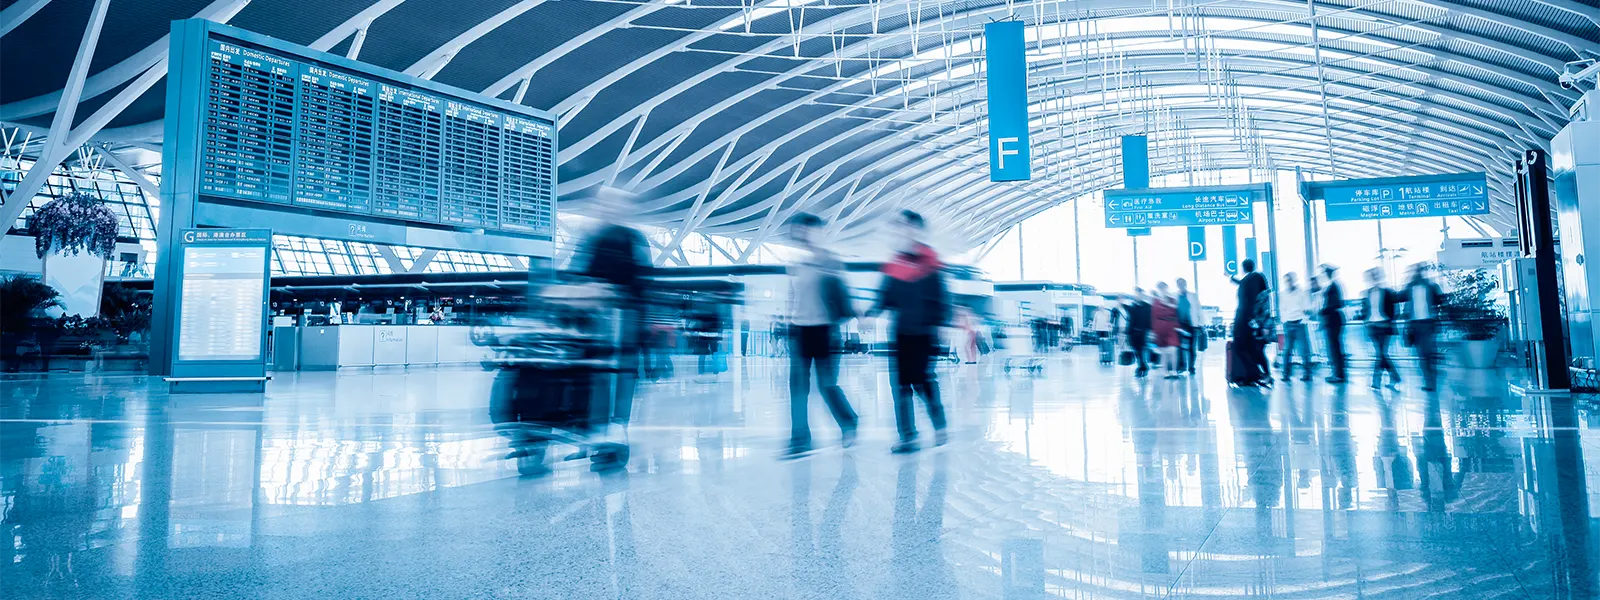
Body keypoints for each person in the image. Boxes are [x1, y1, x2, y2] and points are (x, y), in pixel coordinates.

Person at [867, 210, 950, 454]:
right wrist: (871, 313)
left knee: (922, 380)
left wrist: (943, 324)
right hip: (901, 332)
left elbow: (941, 297)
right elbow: (885, 296)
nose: (902, 231)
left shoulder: (931, 262)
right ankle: (908, 436)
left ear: (917, 230)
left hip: (925, 332)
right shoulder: (895, 265)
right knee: (901, 384)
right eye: (900, 227)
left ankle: (939, 423)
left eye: (907, 227)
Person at [781, 213, 860, 459]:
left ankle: (849, 422)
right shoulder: (798, 265)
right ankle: (800, 439)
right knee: (798, 387)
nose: (803, 235)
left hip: (825, 331)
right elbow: (792, 297)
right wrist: (788, 318)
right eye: (800, 230)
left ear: (818, 231)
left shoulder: (830, 262)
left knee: (826, 384)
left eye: (807, 230)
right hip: (800, 330)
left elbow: (844, 296)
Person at [1403, 263, 1445, 391]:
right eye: (1415, 271)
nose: (1417, 273)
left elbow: (1442, 301)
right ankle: (1429, 380)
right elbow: (1402, 301)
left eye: (1418, 270)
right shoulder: (1410, 288)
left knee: (1427, 353)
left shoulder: (1431, 286)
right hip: (1415, 324)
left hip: (1428, 323)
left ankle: (1431, 381)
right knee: (1422, 354)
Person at [1228, 259, 1270, 386]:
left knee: (1243, 347)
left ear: (1243, 268)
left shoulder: (1250, 280)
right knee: (1254, 349)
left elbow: (1247, 297)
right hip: (1255, 320)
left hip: (1248, 320)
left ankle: (1257, 374)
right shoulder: (1257, 279)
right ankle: (1257, 375)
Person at [1364, 267, 1401, 390]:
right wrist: (1366, 321)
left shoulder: (1388, 292)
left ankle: (1376, 381)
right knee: (1381, 354)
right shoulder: (1368, 292)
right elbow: (1366, 310)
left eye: (1375, 275)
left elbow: (1395, 310)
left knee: (1380, 354)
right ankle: (1394, 377)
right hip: (1373, 326)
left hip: (1384, 325)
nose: (1373, 278)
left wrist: (1389, 322)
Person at [1279, 272, 1313, 381]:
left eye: (1290, 280)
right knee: (1287, 350)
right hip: (1288, 324)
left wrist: (1303, 319)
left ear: (1294, 280)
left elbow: (1307, 307)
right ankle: (1286, 374)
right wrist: (1284, 321)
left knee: (1303, 350)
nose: (1288, 283)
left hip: (1299, 323)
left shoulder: (1301, 292)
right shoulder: (1283, 294)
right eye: (1286, 281)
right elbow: (1282, 309)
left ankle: (1307, 374)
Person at [1320, 264, 1349, 384]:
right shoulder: (1333, 286)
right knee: (1334, 347)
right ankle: (1337, 373)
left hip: (1333, 320)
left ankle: (1339, 374)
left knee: (1334, 347)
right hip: (1332, 320)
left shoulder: (1334, 286)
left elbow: (1338, 303)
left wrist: (1324, 310)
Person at [1152, 282, 1182, 378]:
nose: (1163, 291)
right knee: (1164, 352)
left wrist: (1178, 327)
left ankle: (1173, 370)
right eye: (1161, 289)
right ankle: (1166, 372)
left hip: (1171, 327)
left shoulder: (1172, 300)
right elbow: (1153, 316)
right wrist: (1153, 331)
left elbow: (1177, 313)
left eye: (1164, 288)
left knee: (1173, 350)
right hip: (1160, 328)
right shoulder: (1156, 302)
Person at [1124, 289, 1153, 378]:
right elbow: (1130, 319)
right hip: (1132, 332)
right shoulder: (1133, 306)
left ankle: (1142, 367)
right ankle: (1143, 366)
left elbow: (1150, 320)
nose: (1137, 296)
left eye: (1139, 295)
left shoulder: (1148, 307)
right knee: (1136, 350)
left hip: (1143, 332)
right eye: (1136, 295)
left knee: (1140, 350)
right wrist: (1127, 332)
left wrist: (1150, 331)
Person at [1174, 278, 1200, 374]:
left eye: (1183, 283)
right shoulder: (1174, 296)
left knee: (1192, 347)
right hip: (1179, 325)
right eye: (1179, 284)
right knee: (1179, 346)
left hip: (1191, 324)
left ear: (1186, 284)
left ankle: (1191, 366)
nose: (1181, 285)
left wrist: (1200, 324)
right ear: (1177, 285)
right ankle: (1182, 366)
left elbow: (1198, 309)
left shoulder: (1192, 296)